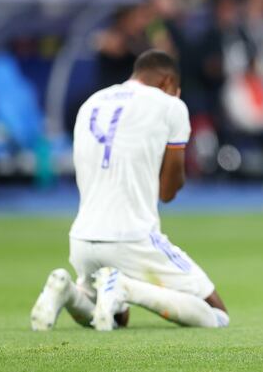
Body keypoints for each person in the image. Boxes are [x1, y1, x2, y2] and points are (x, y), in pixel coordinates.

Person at [30, 50, 230, 331]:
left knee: (116, 319)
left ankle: (67, 293)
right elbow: (168, 192)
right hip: (134, 237)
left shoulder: (92, 102)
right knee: (218, 315)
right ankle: (127, 289)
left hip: (82, 240)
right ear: (168, 82)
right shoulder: (169, 105)